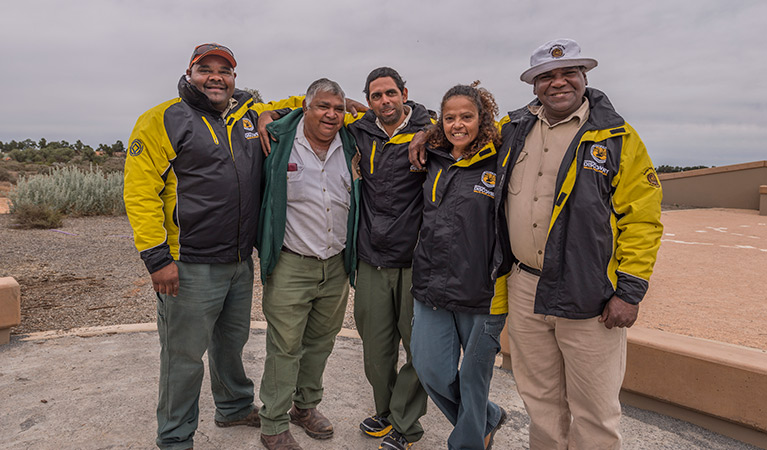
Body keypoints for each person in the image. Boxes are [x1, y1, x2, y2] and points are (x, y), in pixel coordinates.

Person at [124, 43, 302, 450]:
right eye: (206, 69)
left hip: (239, 261)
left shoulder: (248, 114)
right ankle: (174, 437)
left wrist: (335, 103)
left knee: (230, 344)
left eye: (225, 70)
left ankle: (234, 406)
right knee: (183, 358)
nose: (216, 76)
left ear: (235, 78)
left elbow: (296, 105)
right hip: (188, 265)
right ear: (190, 73)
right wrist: (157, 259)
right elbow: (139, 191)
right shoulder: (163, 119)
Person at [493, 39, 663, 449]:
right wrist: (423, 136)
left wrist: (630, 291)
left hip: (589, 294)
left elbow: (642, 218)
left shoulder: (618, 138)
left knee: (595, 410)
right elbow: (458, 137)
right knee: (540, 403)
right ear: (534, 85)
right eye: (546, 76)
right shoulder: (511, 130)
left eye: (568, 72)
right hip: (525, 286)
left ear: (585, 77)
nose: (558, 82)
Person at [256, 78, 360, 450]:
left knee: (320, 343)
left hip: (335, 266)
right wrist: (268, 113)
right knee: (285, 346)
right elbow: (255, 114)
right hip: (290, 264)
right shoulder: (281, 139)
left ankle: (305, 407)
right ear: (306, 106)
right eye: (322, 106)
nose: (331, 114)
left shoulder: (352, 143)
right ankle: (272, 423)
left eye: (338, 108)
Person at [409, 83, 508, 450]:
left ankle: (467, 443)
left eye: (467, 116)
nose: (458, 125)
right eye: (450, 117)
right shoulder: (432, 155)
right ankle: (486, 417)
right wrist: (423, 134)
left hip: (482, 289)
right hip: (432, 285)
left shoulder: (501, 158)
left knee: (473, 378)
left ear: (482, 119)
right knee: (430, 368)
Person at [345, 67, 431, 450]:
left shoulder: (430, 131)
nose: (385, 101)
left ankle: (406, 426)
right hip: (371, 258)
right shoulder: (361, 131)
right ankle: (386, 411)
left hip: (415, 260)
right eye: (376, 96)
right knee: (375, 348)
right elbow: (314, 109)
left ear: (404, 93)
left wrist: (430, 131)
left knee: (418, 348)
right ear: (368, 100)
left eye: (391, 93)